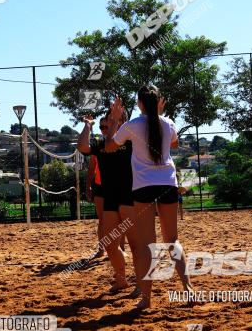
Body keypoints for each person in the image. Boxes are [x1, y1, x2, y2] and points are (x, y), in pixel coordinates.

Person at [103, 85, 193, 310]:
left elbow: (110, 146)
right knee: (172, 240)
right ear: (157, 103)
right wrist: (160, 116)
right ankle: (188, 288)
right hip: (167, 184)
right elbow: (174, 143)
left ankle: (146, 299)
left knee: (146, 245)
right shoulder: (168, 123)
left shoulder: (131, 125)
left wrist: (114, 119)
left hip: (143, 187)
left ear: (140, 104)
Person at [78, 107, 136, 292]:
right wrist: (88, 126)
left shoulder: (131, 141)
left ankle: (142, 285)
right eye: (105, 124)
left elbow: (114, 141)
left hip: (129, 197)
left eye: (111, 120)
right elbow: (82, 147)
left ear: (122, 121)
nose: (106, 126)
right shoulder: (102, 145)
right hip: (110, 198)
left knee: (135, 245)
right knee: (109, 244)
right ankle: (121, 279)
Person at [86, 145, 105, 258]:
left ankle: (120, 249)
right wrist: (88, 186)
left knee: (118, 219)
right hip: (99, 186)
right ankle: (101, 249)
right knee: (102, 219)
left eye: (104, 126)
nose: (103, 128)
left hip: (117, 186)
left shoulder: (121, 142)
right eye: (101, 127)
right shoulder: (98, 146)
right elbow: (92, 167)